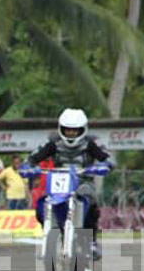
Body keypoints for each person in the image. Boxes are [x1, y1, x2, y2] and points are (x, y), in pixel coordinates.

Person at [26, 108, 112, 259]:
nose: (70, 134)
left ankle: (91, 240)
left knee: (90, 201)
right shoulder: (52, 142)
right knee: (42, 203)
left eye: (74, 131)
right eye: (67, 130)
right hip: (58, 182)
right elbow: (34, 157)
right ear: (61, 129)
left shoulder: (92, 143)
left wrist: (105, 165)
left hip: (83, 181)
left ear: (83, 129)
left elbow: (107, 157)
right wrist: (28, 166)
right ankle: (48, 234)